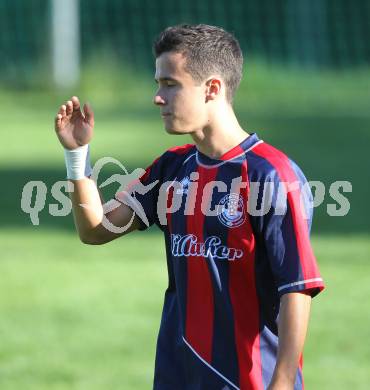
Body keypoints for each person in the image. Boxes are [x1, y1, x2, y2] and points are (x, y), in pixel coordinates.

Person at [54, 24, 324, 390]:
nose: (157, 97)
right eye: (158, 83)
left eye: (170, 84)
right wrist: (77, 155)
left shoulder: (272, 174)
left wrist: (282, 383)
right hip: (177, 377)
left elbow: (296, 289)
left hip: (248, 382)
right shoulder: (172, 169)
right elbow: (96, 229)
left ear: (212, 88)